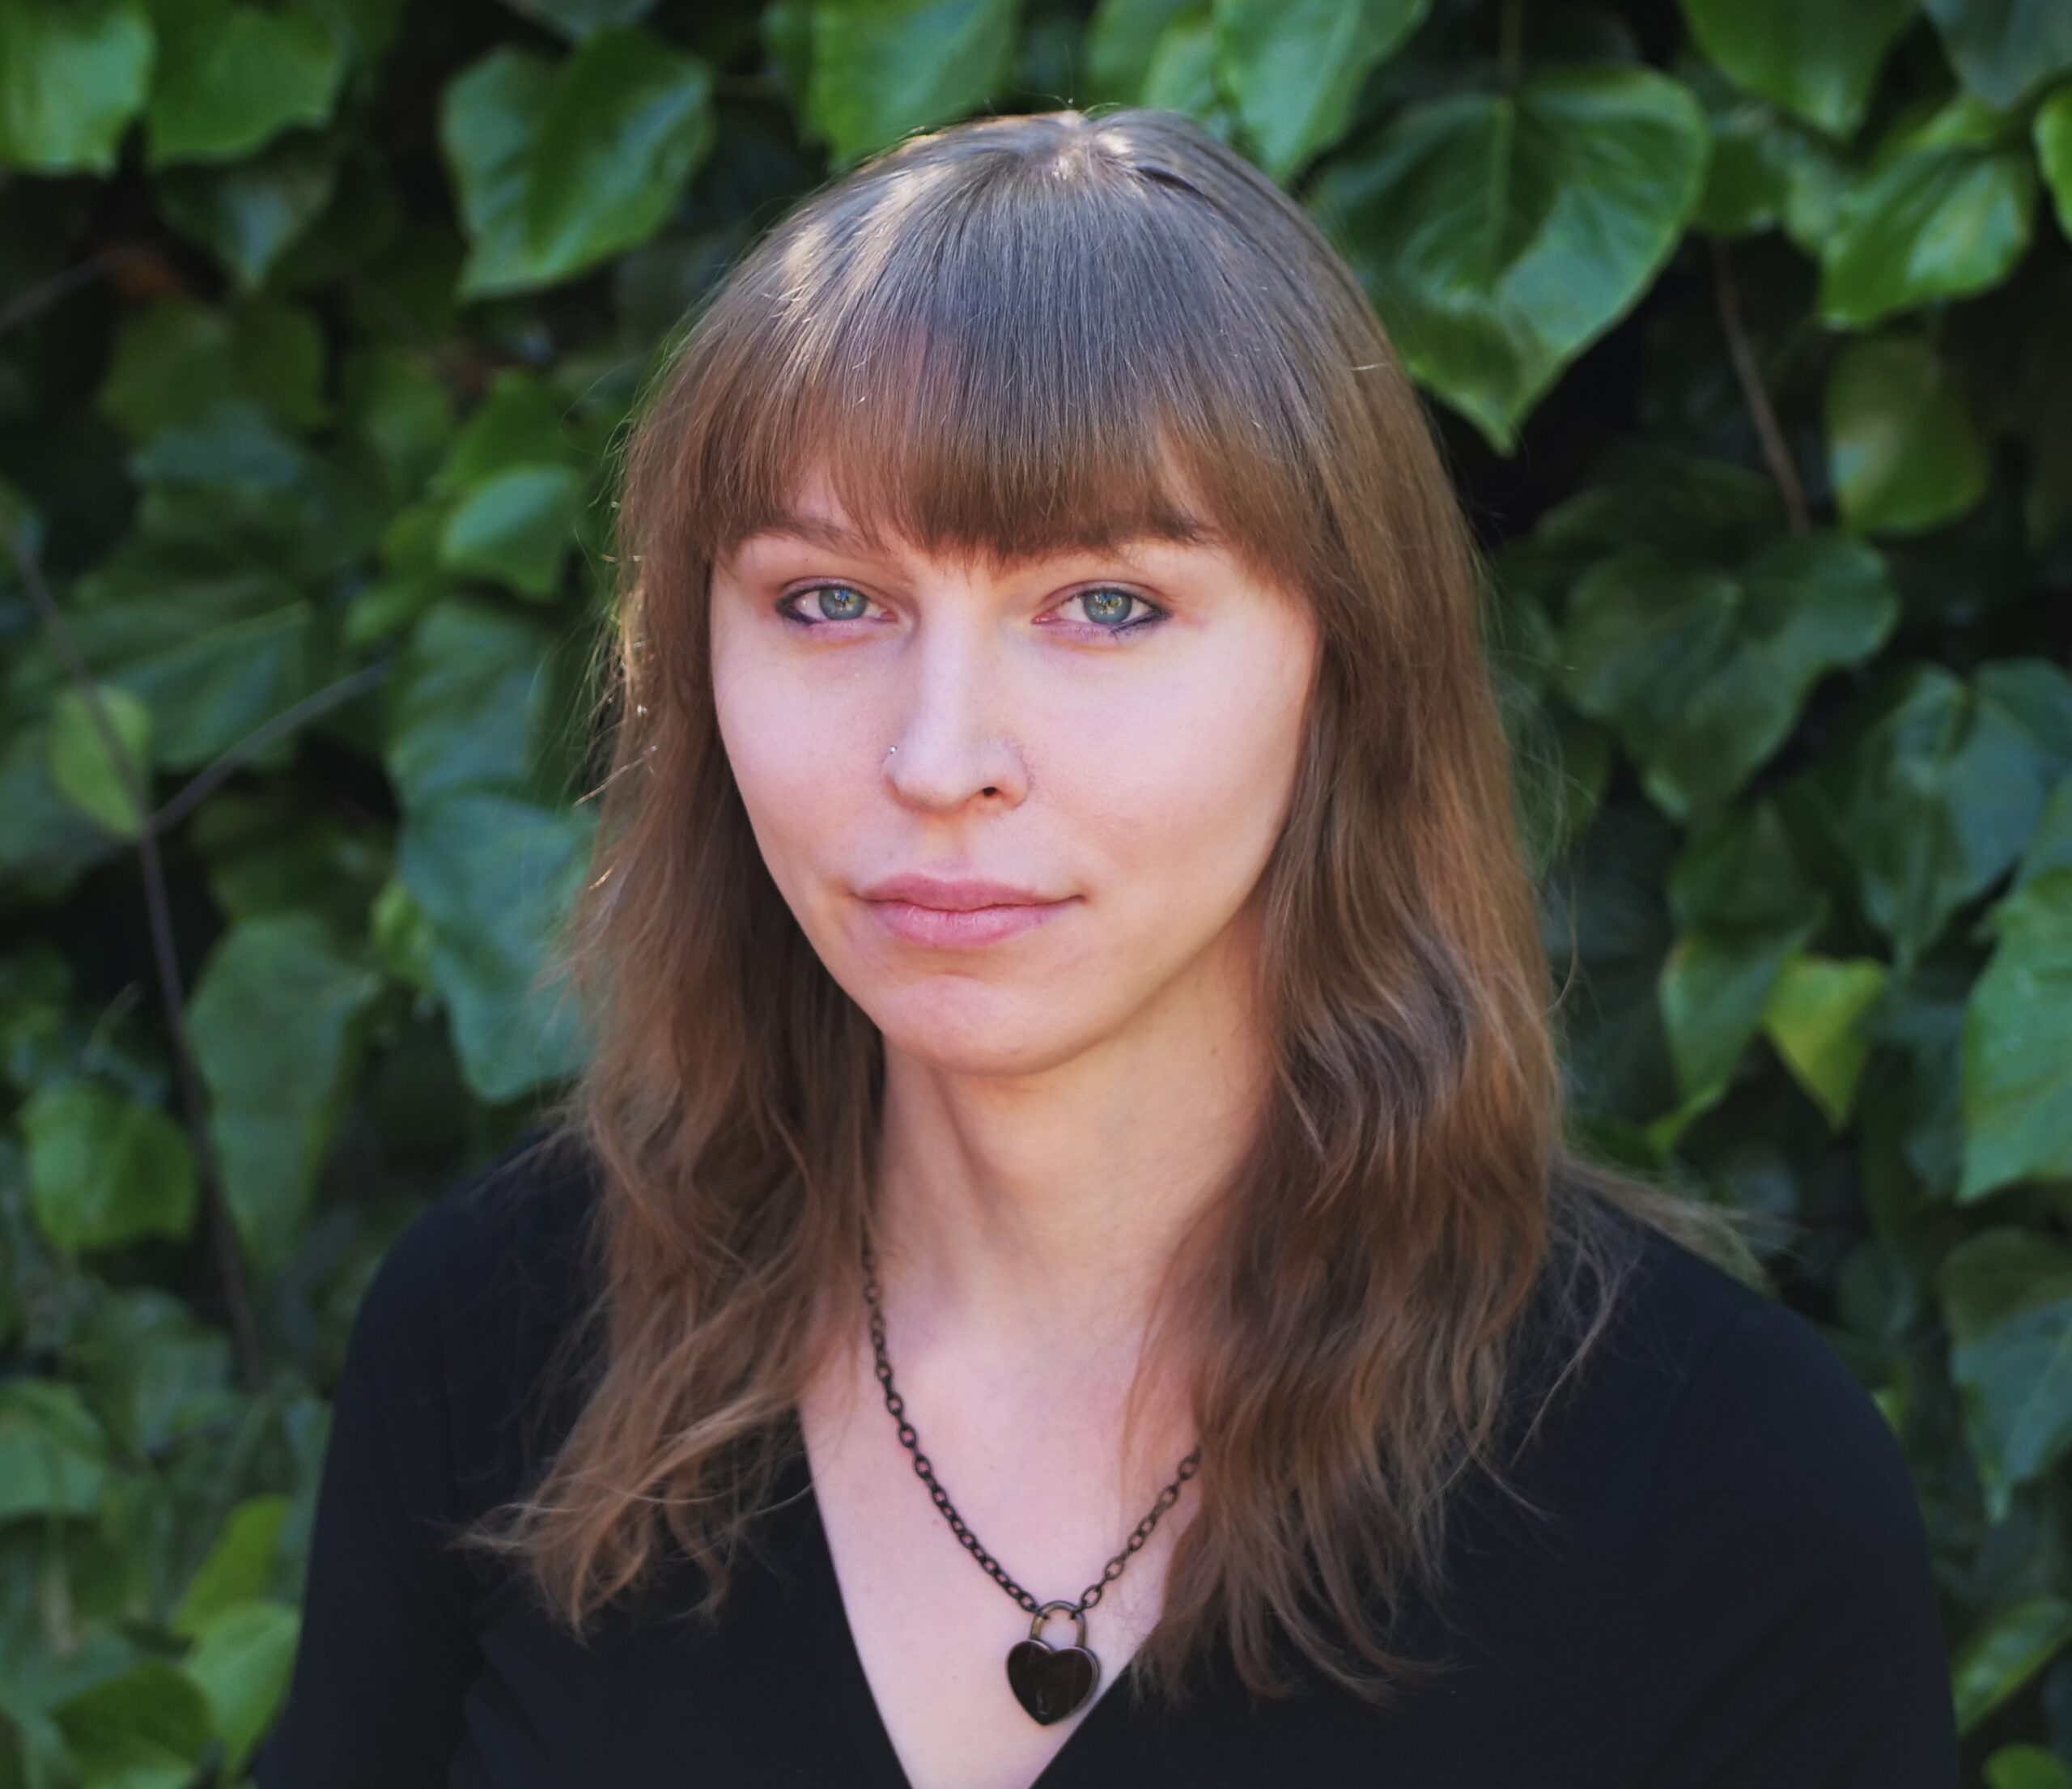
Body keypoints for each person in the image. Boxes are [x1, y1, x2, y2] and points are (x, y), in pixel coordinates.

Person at [253, 106, 1959, 1789]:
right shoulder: (502, 1335)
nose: (936, 758)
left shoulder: (1717, 1483)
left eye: (1106, 605)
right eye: (827, 600)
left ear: (1340, 673)